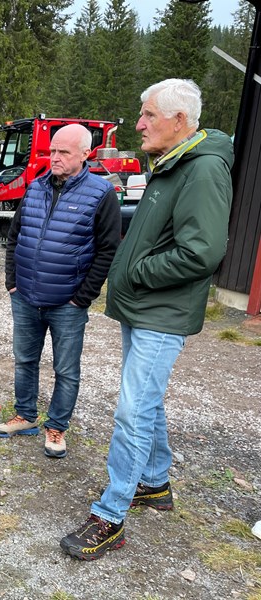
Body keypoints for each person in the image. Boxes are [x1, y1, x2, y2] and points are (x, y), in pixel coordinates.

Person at [61, 79, 233, 559]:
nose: (139, 123)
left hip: (163, 310)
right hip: (144, 306)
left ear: (179, 121)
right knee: (147, 403)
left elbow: (202, 252)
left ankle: (111, 516)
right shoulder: (173, 163)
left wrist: (135, 272)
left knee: (132, 411)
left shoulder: (203, 171)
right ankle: (154, 484)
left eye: (149, 115)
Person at [0, 123, 121, 459]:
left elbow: (107, 250)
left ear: (85, 154)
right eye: (52, 151)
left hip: (67, 302)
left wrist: (83, 297)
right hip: (25, 297)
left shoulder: (100, 194)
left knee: (66, 369)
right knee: (25, 360)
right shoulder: (35, 188)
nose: (55, 157)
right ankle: (26, 416)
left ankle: (57, 427)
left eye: (63, 152)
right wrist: (12, 281)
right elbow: (14, 237)